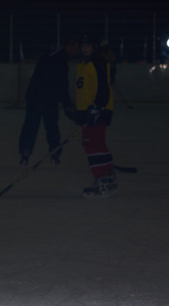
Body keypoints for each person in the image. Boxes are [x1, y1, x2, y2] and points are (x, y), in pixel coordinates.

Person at [18, 38, 79, 166]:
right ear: (69, 46)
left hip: (39, 96)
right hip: (43, 97)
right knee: (46, 125)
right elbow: (62, 85)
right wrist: (68, 105)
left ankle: (27, 151)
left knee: (34, 124)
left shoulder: (53, 55)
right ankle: (52, 150)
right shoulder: (60, 59)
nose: (76, 52)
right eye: (75, 48)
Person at [75, 34, 116, 197]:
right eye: (83, 45)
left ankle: (103, 182)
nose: (85, 48)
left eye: (88, 45)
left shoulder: (97, 63)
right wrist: (79, 112)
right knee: (91, 144)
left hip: (98, 111)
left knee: (94, 146)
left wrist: (96, 108)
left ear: (94, 47)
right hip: (88, 111)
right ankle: (108, 178)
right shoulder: (83, 64)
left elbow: (103, 89)